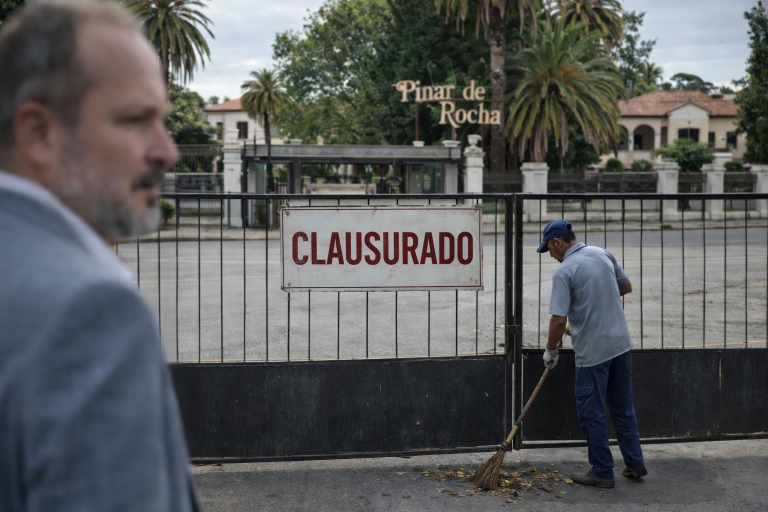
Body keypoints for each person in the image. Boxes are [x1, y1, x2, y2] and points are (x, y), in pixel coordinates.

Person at [0, 1, 199, 510]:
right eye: (136, 119)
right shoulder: (90, 310)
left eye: (163, 120)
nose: (167, 150)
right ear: (39, 133)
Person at [537, 219, 647, 489]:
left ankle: (601, 471)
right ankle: (634, 463)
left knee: (592, 412)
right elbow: (625, 287)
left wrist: (551, 350)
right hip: (621, 345)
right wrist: (595, 303)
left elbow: (558, 321)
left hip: (594, 352)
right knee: (622, 407)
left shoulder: (565, 271)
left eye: (549, 249)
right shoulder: (602, 253)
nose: (550, 255)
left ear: (558, 243)